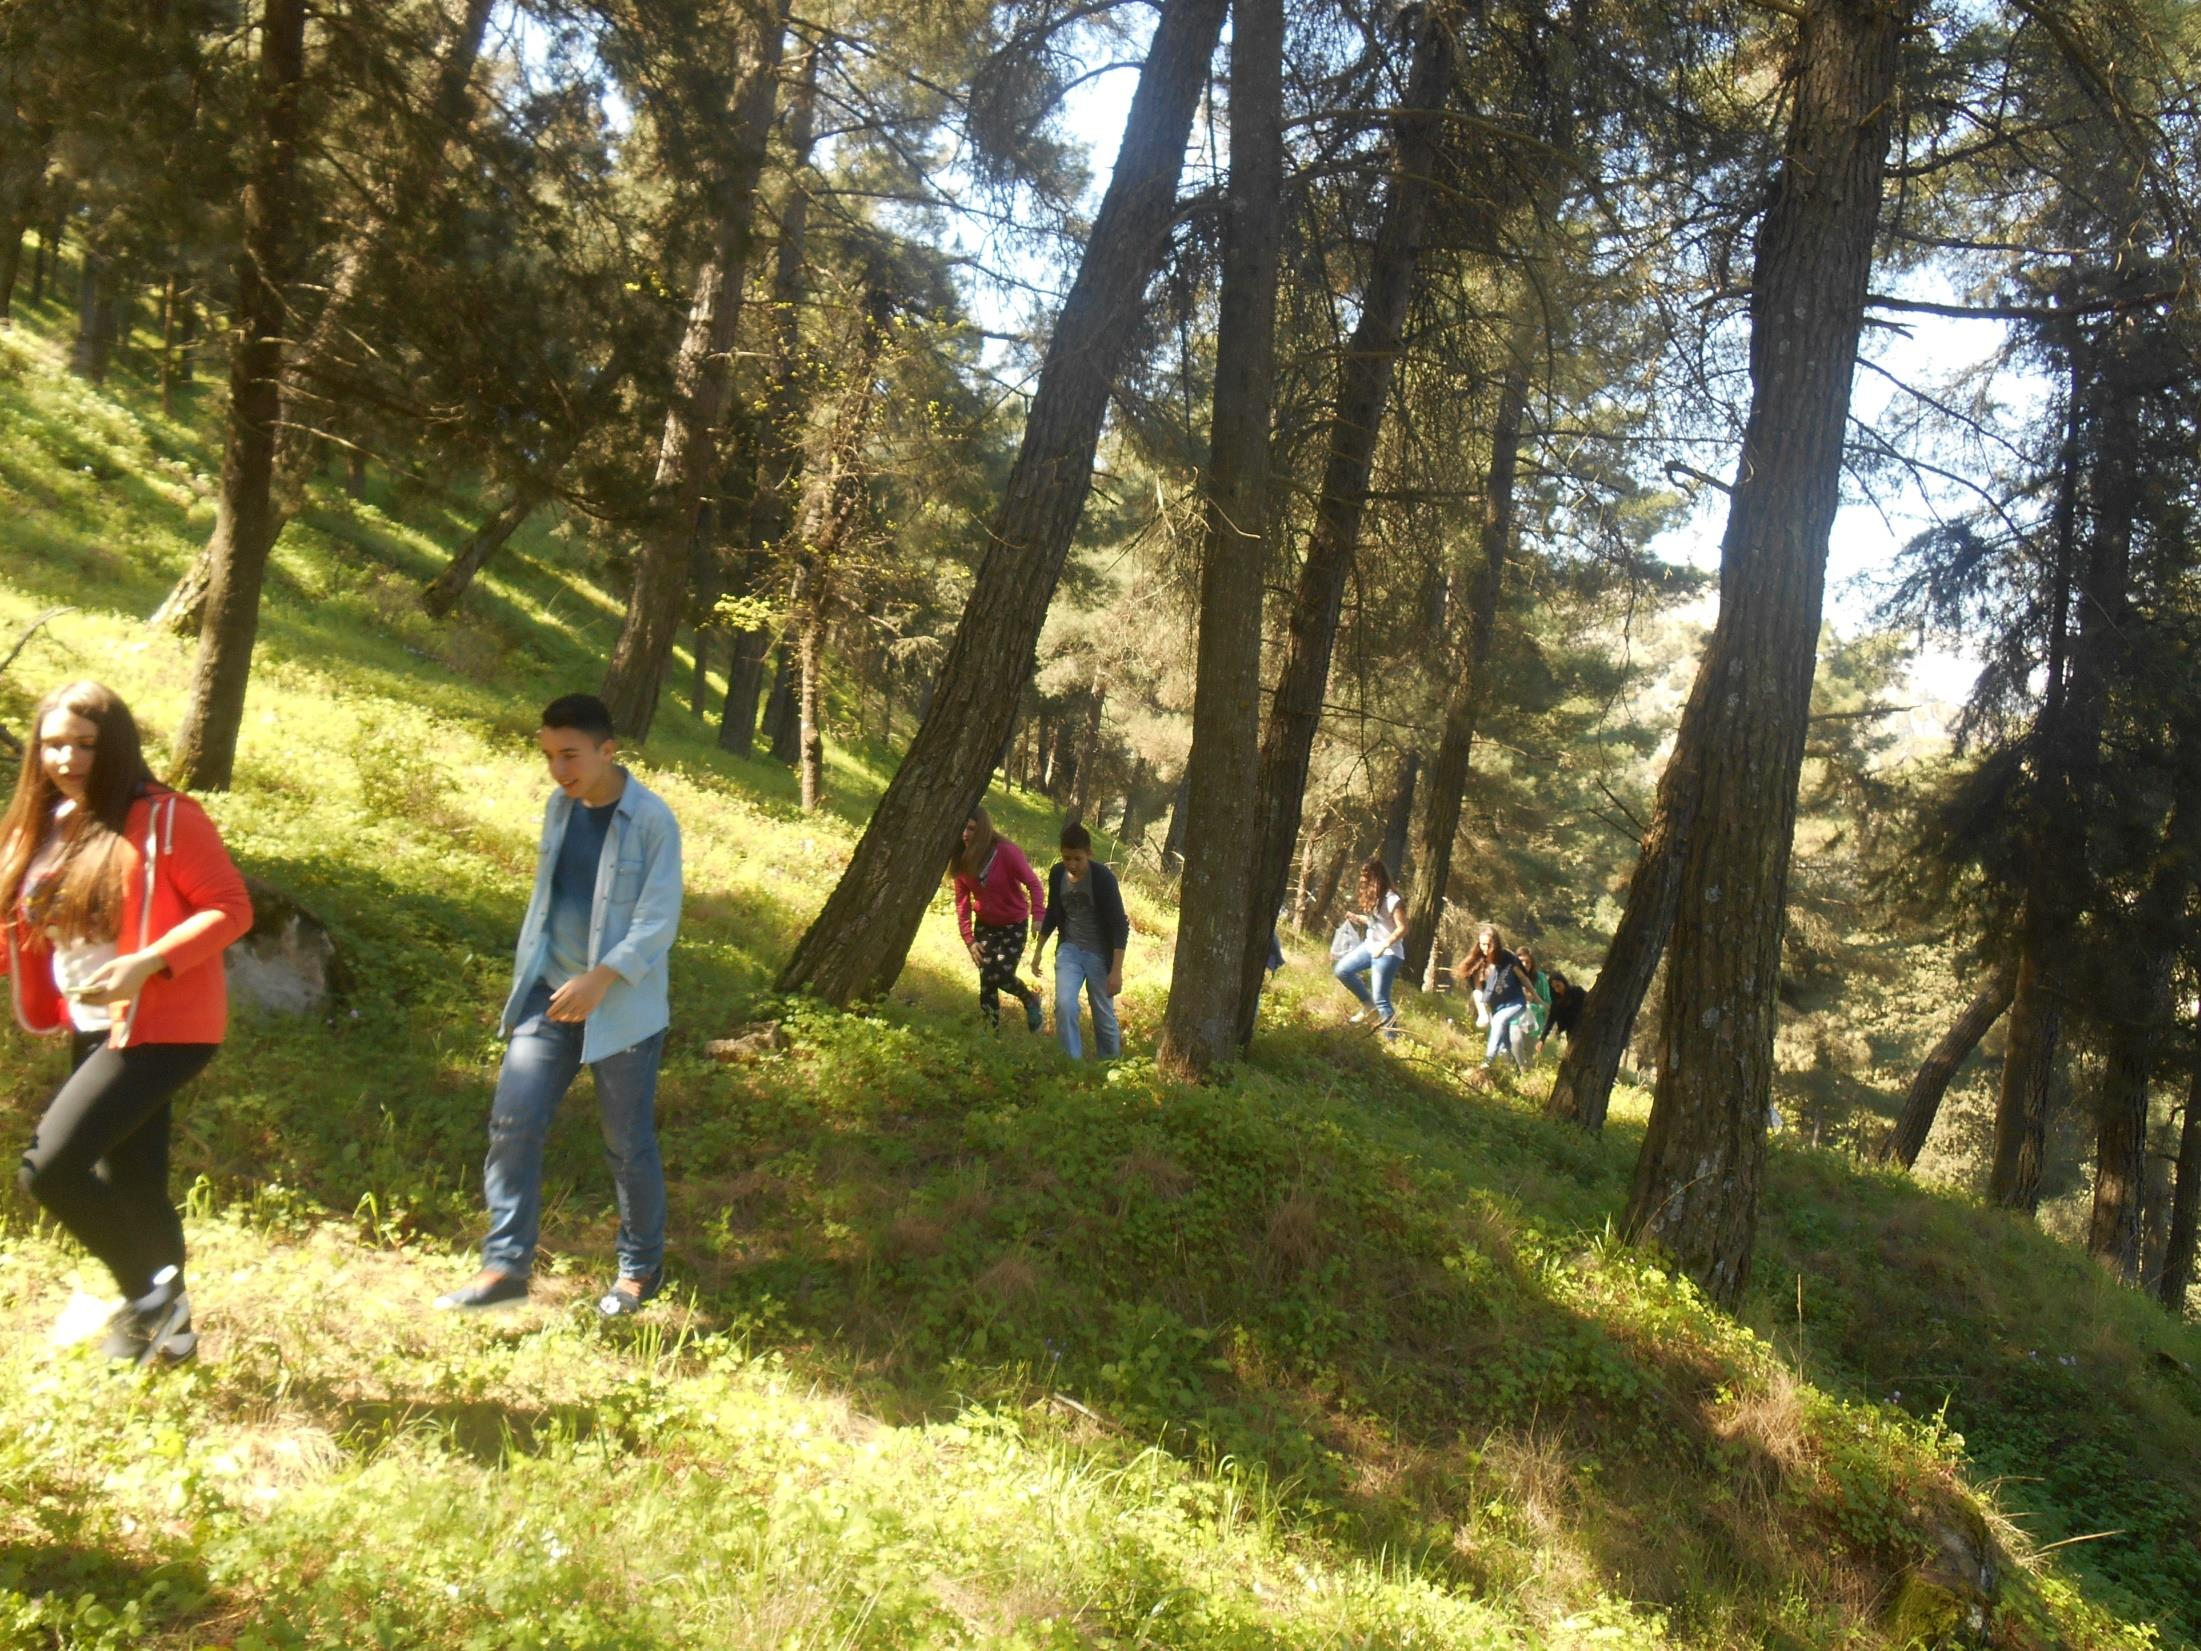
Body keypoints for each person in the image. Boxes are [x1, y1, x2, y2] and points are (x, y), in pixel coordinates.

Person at [4, 682, 253, 1364]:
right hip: (93, 1024)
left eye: (85, 744)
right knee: (134, 1181)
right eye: (54, 743)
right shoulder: (45, 821)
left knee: (48, 1169)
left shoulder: (167, 816)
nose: (67, 757)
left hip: (164, 1026)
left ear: (115, 745)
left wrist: (148, 961)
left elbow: (230, 908)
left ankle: (147, 1300)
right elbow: (20, 927)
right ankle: (170, 1340)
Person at [436, 694, 682, 1318]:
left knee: (626, 1143)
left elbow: (657, 922)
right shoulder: (558, 808)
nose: (558, 769)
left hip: (620, 1008)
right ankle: (505, 1268)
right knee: (513, 1124)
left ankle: (638, 1272)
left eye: (570, 755)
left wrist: (600, 980)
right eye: (548, 755)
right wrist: (540, 981)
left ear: (607, 750)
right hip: (550, 997)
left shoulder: (652, 821)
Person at [1031, 821, 1127, 1060]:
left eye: (1077, 859)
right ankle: (1070, 1063)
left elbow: (1119, 925)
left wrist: (1116, 972)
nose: (1072, 865)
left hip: (1099, 955)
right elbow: (1054, 911)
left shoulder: (1103, 879)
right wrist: (1038, 950)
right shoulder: (1057, 874)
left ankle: (1110, 1065)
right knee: (1064, 1005)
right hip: (1069, 950)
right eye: (1066, 858)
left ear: (1089, 854)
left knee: (1103, 1015)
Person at [951, 806, 1045, 1035]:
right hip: (985, 925)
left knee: (1001, 975)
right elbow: (962, 903)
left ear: (982, 830)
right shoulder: (960, 859)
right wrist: (969, 940)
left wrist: (1038, 916)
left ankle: (1030, 999)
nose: (965, 834)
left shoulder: (1005, 852)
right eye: (962, 828)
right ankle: (990, 1034)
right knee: (987, 980)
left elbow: (1034, 883)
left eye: (972, 829)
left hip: (1014, 923)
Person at [1333, 858, 1409, 1039]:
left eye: (1366, 877)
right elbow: (1377, 923)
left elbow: (1403, 928)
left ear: (1377, 878)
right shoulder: (1374, 897)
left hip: (1389, 953)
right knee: (1342, 970)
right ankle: (1369, 1005)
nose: (1362, 881)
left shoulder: (1393, 900)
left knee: (1382, 998)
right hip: (1370, 947)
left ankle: (1393, 1039)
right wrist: (1358, 918)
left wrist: (1384, 945)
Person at [1515, 947, 1553, 1063]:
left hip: (1533, 1023)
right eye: (1521, 961)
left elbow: (1547, 1004)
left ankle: (1526, 1077)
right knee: (1515, 1050)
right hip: (1513, 1021)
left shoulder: (1540, 978)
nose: (1524, 965)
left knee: (1529, 1058)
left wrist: (1533, 1008)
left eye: (1528, 962)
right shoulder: (1510, 977)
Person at [1546, 969, 1588, 1043]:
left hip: (1584, 1026)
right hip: (1571, 1032)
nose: (1557, 990)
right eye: (1554, 988)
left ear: (1563, 982)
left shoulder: (1576, 991)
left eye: (1558, 986)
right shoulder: (1556, 1003)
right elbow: (1551, 1020)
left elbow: (1588, 1000)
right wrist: (1542, 1039)